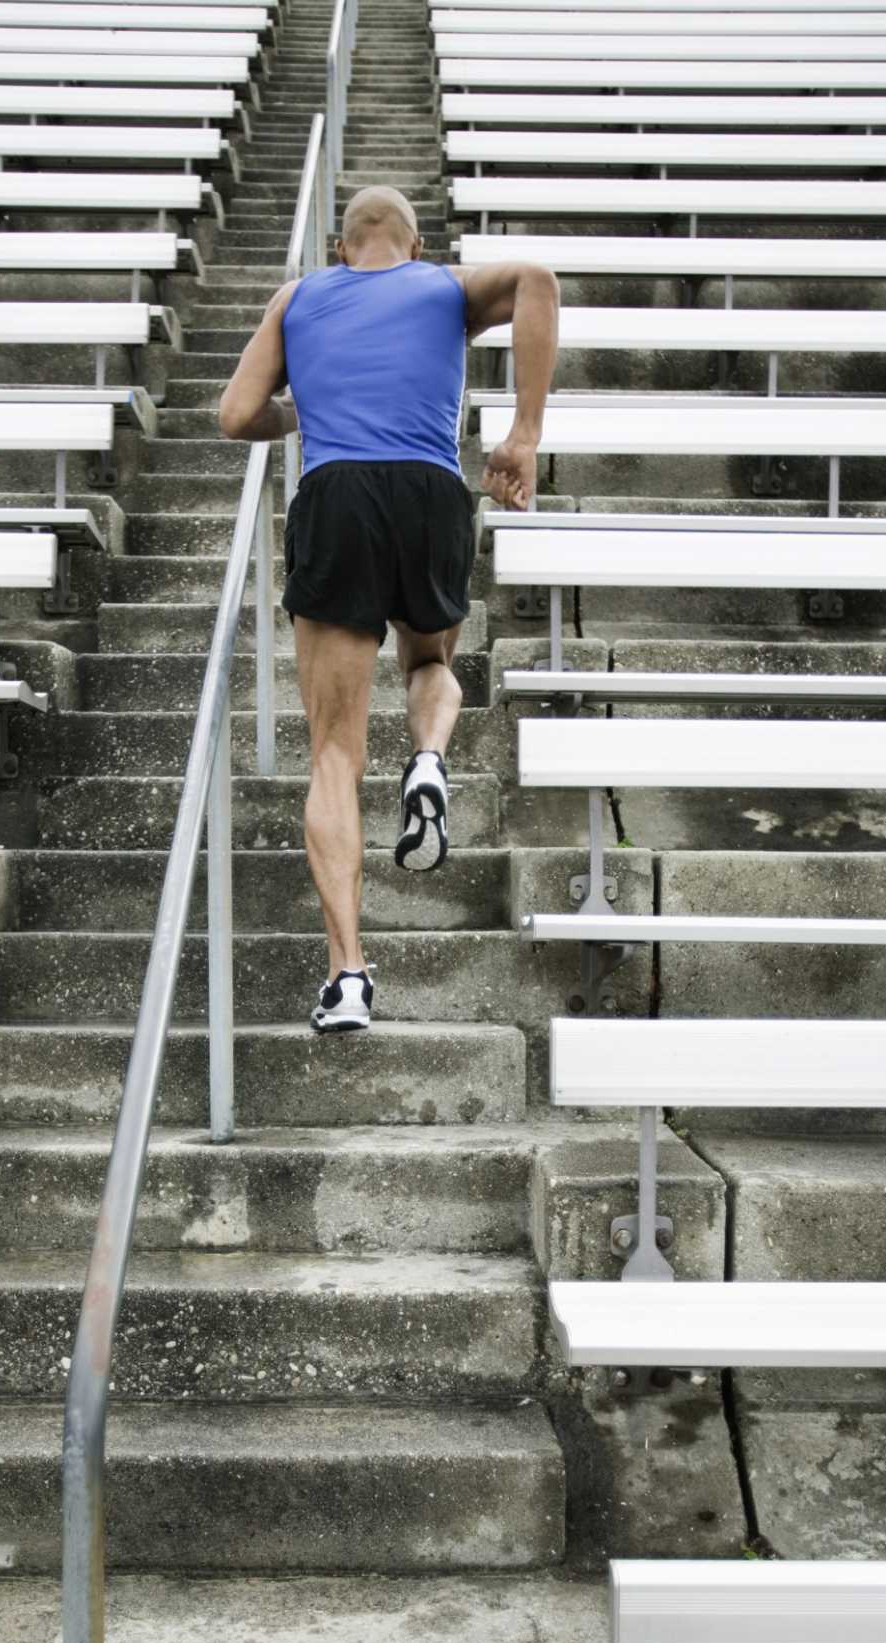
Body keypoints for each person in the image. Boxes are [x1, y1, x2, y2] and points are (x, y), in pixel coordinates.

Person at [219, 183, 559, 1033]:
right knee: (433, 661)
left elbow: (233, 415)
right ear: (413, 246)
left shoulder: (298, 298)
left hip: (336, 495)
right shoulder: (443, 288)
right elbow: (538, 283)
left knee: (334, 753)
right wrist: (520, 434)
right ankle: (431, 760)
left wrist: (302, 410)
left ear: (342, 250)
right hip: (430, 491)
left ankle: (348, 978)